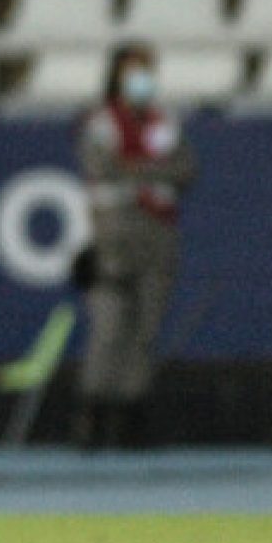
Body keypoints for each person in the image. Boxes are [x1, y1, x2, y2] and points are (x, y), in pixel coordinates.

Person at [72, 41, 196, 448]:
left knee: (145, 328)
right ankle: (93, 415)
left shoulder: (165, 123)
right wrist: (153, 171)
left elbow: (186, 169)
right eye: (132, 71)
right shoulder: (101, 122)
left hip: (157, 237)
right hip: (113, 237)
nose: (140, 80)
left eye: (146, 70)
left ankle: (130, 417)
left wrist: (133, 168)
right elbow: (99, 166)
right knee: (108, 327)